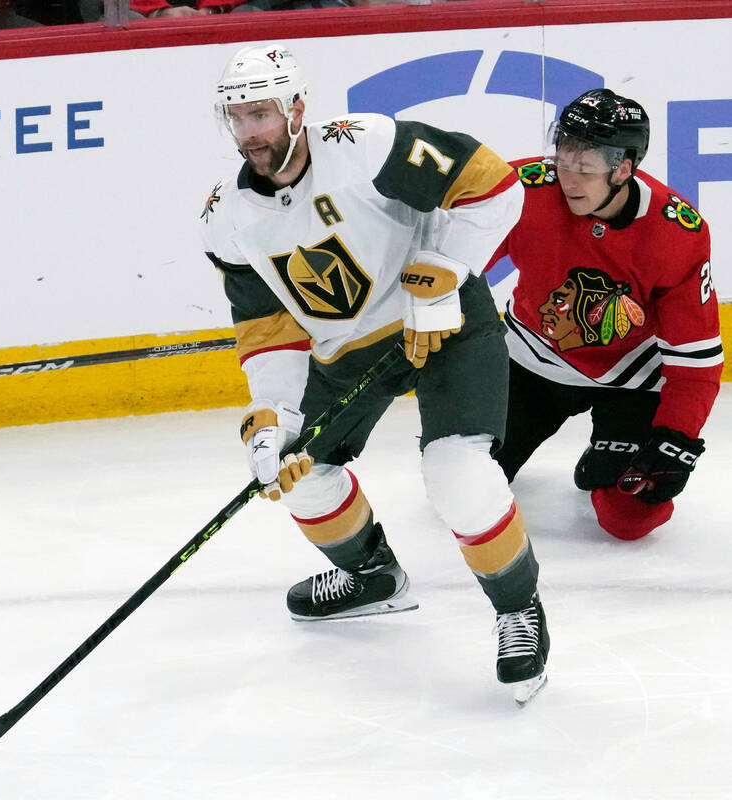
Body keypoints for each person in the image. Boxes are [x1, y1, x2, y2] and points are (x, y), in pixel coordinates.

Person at [200, 42, 549, 703]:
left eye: (262, 115)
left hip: (443, 323)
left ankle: (517, 608)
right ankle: (372, 577)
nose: (249, 133)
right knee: (294, 471)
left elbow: (493, 184)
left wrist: (446, 273)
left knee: (457, 475)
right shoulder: (226, 217)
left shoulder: (365, 145)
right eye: (237, 118)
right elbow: (268, 329)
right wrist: (272, 419)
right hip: (347, 351)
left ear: (298, 108)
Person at [489, 88, 723, 541]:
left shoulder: (677, 232)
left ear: (624, 168)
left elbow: (695, 364)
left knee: (631, 517)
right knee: (459, 476)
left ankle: (606, 456)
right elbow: (454, 265)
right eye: (564, 160)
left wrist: (676, 437)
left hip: (630, 379)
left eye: (586, 169)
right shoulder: (520, 190)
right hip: (531, 360)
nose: (569, 180)